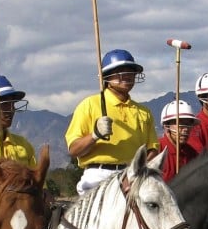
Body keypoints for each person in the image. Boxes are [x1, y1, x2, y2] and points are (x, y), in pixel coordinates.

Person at [65, 49, 158, 195]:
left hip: (133, 175)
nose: (127, 76)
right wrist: (95, 135)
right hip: (98, 176)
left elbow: (153, 149)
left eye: (131, 71)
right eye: (121, 71)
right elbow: (73, 150)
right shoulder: (89, 104)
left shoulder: (143, 112)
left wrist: (135, 171)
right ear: (107, 76)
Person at [158, 100, 201, 182]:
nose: (185, 129)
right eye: (180, 124)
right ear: (167, 125)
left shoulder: (193, 154)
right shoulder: (157, 150)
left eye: (188, 124)